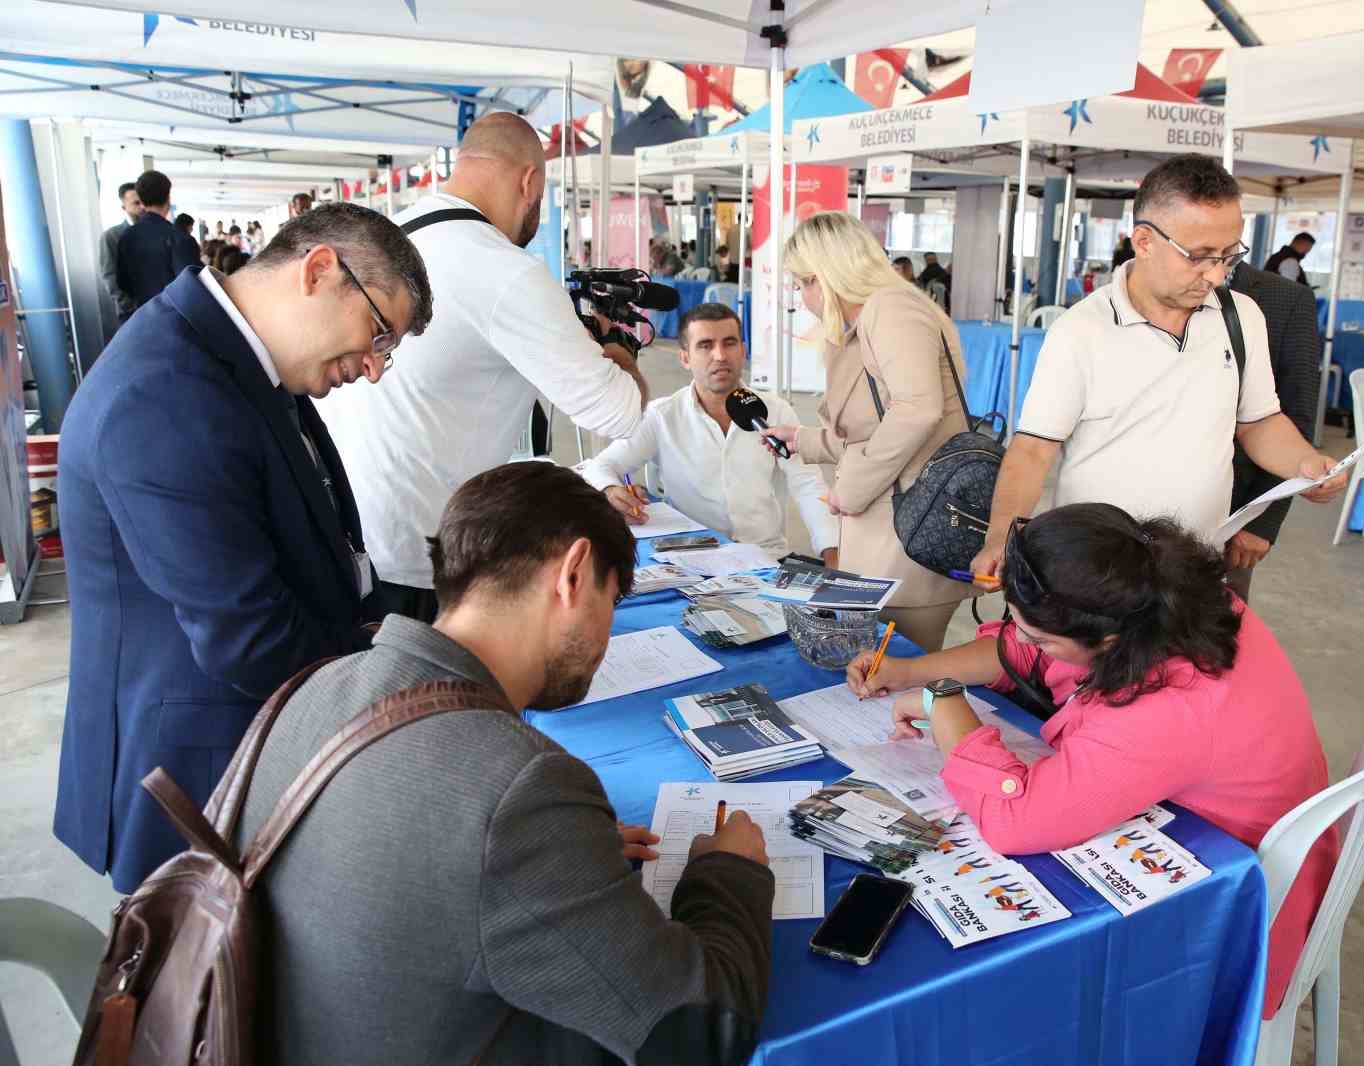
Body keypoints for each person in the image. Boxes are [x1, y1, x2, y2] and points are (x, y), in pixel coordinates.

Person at [233, 461, 775, 1064]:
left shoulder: (315, 687)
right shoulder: (520, 788)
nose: (606, 634)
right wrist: (727, 874)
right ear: (572, 575)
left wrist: (562, 855)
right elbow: (702, 1037)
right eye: (611, 600)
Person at [54, 203, 432, 893]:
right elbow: (248, 639)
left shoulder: (238, 358)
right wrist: (396, 704)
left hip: (261, 735)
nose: (375, 369)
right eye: (378, 333)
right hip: (200, 769)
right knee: (217, 990)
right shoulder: (163, 391)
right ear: (320, 270)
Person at [848, 502, 1336, 1021]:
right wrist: (910, 673)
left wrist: (942, 700)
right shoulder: (1160, 598)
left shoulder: (1173, 704)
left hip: (1231, 893)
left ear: (1104, 640)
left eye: (1042, 636)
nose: (1024, 638)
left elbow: (1018, 818)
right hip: (1210, 818)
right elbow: (1023, 647)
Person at [317, 111, 646, 625]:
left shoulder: (387, 236)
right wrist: (617, 350)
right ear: (530, 182)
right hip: (418, 559)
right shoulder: (504, 269)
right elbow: (617, 412)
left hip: (348, 540)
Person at [968, 154, 1347, 583]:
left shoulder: (1242, 317)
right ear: (1145, 242)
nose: (1217, 275)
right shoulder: (1082, 330)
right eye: (1200, 256)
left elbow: (1258, 422)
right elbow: (1034, 449)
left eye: (1228, 256)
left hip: (1199, 562)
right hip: (1100, 567)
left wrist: (1305, 464)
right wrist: (1000, 537)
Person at [759, 212, 976, 652]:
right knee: (882, 671)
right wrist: (802, 439)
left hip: (912, 532)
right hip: (889, 530)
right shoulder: (869, 321)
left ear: (829, 274)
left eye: (804, 283)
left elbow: (917, 410)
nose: (803, 298)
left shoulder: (892, 309)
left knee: (899, 668)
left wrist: (851, 490)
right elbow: (869, 428)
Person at [582, 302, 839, 563]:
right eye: (705, 345)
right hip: (692, 561)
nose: (719, 355)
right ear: (685, 357)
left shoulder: (776, 411)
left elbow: (808, 484)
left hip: (768, 558)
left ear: (743, 350)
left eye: (729, 343)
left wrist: (833, 555)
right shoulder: (662, 416)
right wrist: (610, 489)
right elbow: (600, 466)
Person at [1223, 261, 1323, 601]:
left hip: (1235, 511)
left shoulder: (1285, 299)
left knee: (1212, 635)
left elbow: (1296, 415)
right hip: (1140, 516)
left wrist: (1261, 522)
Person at [115, 170, 201, 316]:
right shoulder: (180, 238)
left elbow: (122, 283)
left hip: (142, 317)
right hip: (176, 319)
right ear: (168, 197)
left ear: (141, 201)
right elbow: (191, 286)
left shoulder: (126, 237)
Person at [99, 181, 142, 330]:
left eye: (143, 202)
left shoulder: (153, 232)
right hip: (130, 312)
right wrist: (128, 305)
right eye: (136, 203)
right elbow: (109, 274)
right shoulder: (112, 236)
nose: (141, 207)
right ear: (124, 207)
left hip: (157, 308)